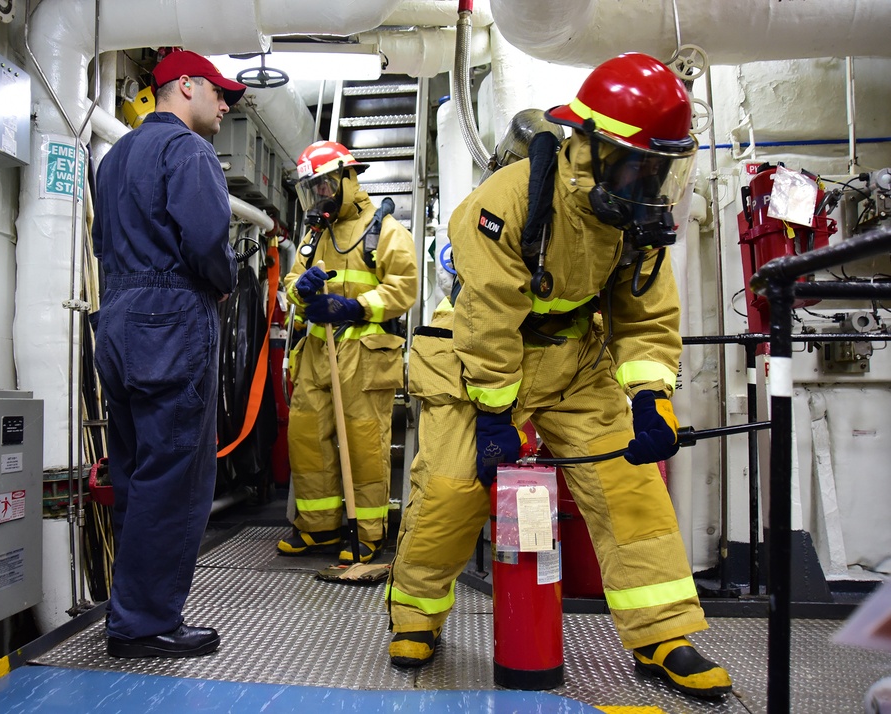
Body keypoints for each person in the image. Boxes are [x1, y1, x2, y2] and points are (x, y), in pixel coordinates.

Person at [386, 53, 733, 700]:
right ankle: (414, 615)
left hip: (575, 363)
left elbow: (645, 314)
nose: (651, 177)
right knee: (451, 489)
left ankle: (662, 632)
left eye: (661, 165)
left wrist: (652, 397)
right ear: (594, 147)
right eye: (640, 162)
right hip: (481, 360)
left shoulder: (637, 210)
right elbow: (488, 316)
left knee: (628, 484)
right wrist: (494, 418)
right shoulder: (511, 200)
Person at [91, 50, 246, 658]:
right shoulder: (188, 151)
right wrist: (225, 278)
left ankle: (130, 609)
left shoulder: (115, 159)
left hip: (119, 320)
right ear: (185, 86)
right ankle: (145, 623)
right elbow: (208, 240)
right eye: (219, 93)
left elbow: (105, 242)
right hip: (172, 320)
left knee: (134, 473)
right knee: (177, 476)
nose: (225, 104)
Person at [277, 140, 418, 564]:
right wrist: (299, 291)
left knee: (363, 445)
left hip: (365, 354)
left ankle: (367, 532)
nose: (319, 194)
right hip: (318, 351)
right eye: (313, 187)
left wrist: (356, 306)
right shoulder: (315, 233)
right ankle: (318, 528)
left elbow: (404, 288)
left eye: (324, 185)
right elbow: (293, 280)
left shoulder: (385, 229)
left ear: (347, 179)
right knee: (306, 440)